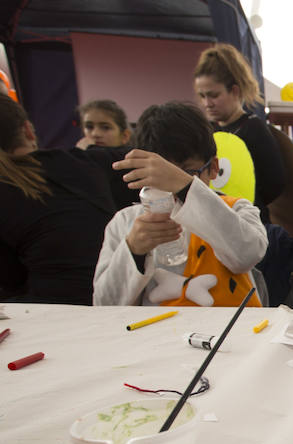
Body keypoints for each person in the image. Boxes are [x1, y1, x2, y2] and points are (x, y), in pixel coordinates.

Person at [93, 102, 267, 307]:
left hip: (227, 332)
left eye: (187, 173)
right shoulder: (126, 222)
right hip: (155, 334)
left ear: (213, 168)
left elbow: (247, 255)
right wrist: (133, 250)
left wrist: (187, 187)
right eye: (159, 176)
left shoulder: (236, 209)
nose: (172, 190)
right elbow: (104, 304)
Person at [194, 43, 293, 306]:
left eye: (213, 95)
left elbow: (276, 182)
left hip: (253, 231)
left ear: (234, 90)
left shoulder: (254, 130)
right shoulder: (207, 134)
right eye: (202, 95)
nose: (207, 103)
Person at [0, 95, 117, 304]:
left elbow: (10, 281)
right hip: (118, 300)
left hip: (55, 311)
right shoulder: (89, 163)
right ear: (28, 130)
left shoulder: (9, 190)